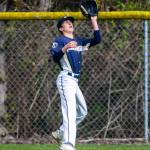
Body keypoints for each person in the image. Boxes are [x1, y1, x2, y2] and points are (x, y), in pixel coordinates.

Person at [50, 15, 101, 150]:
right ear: (61, 28)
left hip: (74, 81)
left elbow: (97, 39)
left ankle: (61, 133)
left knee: (82, 112)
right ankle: (67, 146)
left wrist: (93, 20)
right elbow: (55, 57)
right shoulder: (59, 41)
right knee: (70, 112)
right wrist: (65, 47)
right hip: (65, 79)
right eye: (66, 22)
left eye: (70, 22)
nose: (69, 23)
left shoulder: (79, 41)